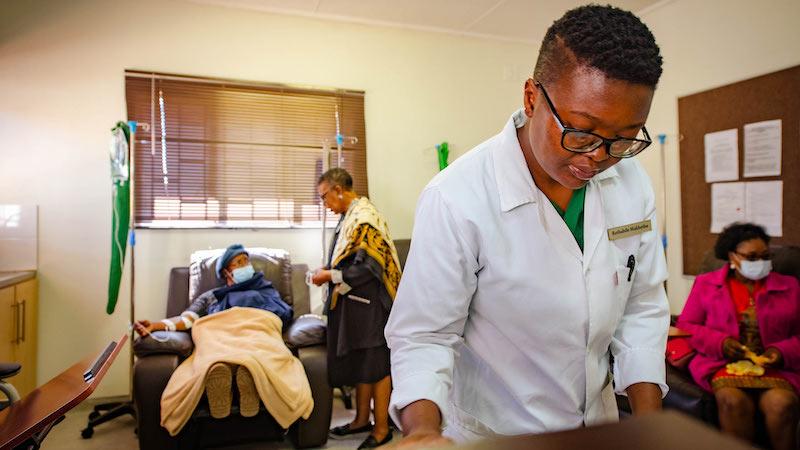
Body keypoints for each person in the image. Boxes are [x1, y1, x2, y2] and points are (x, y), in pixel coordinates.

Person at [385, 5, 670, 447]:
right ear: (532, 97)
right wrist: (422, 431)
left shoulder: (632, 184)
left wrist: (653, 427)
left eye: (625, 138)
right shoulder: (457, 197)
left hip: (599, 428)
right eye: (581, 131)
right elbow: (425, 335)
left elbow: (642, 306)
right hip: (497, 435)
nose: (598, 157)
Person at [676, 223, 800, 450]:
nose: (760, 263)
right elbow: (687, 325)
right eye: (751, 258)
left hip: (776, 368)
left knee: (782, 405)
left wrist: (780, 352)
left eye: (765, 256)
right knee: (732, 402)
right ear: (732, 256)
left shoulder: (791, 287)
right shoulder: (707, 284)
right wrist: (720, 343)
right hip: (723, 363)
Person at [134, 243, 294, 419]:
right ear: (226, 272)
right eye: (238, 262)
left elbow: (282, 315)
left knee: (255, 349)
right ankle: (227, 371)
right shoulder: (212, 296)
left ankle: (242, 370)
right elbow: (187, 319)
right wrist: (155, 326)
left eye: (246, 261)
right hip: (223, 335)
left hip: (257, 334)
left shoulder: (265, 289)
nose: (245, 266)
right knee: (215, 344)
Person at [311, 168, 402, 449]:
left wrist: (331, 276)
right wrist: (329, 269)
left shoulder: (365, 218)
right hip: (355, 303)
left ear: (339, 189)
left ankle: (382, 429)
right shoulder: (348, 218)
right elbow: (348, 258)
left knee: (377, 366)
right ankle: (361, 420)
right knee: (363, 364)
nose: (325, 204)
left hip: (372, 304)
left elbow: (370, 266)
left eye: (325, 196)